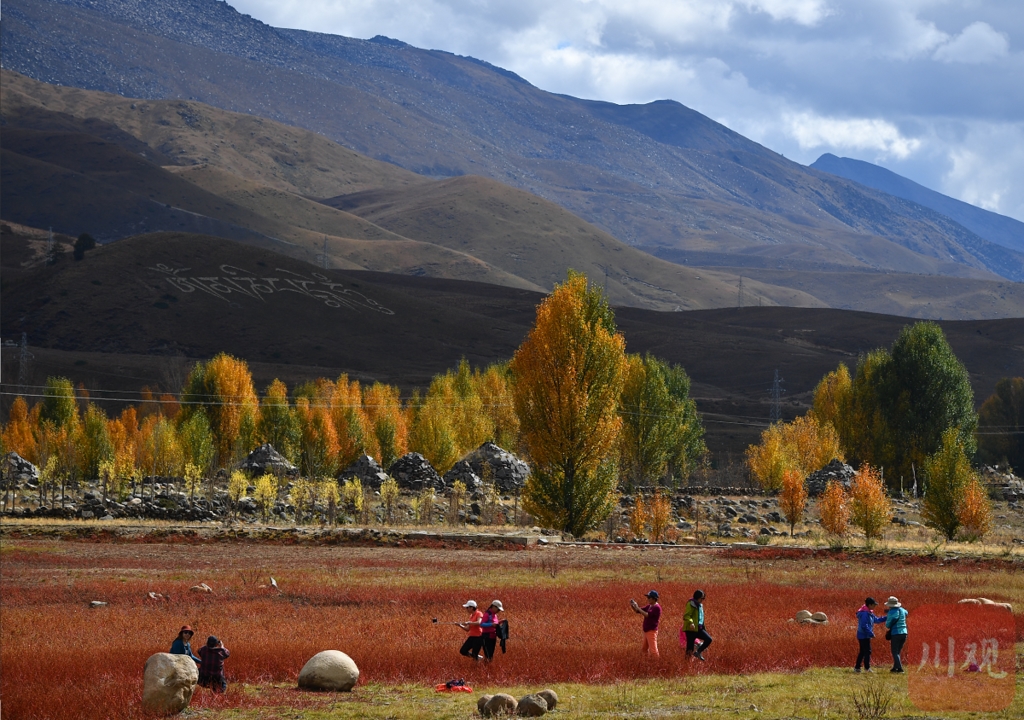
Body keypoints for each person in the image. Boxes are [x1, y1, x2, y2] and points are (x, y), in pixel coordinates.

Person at [854, 597, 887, 672]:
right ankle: (867, 668)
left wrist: (886, 618)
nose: (875, 606)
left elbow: (877, 620)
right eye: (874, 605)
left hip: (864, 635)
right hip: (863, 635)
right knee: (867, 651)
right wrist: (871, 633)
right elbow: (863, 625)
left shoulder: (869, 612)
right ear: (869, 605)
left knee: (863, 651)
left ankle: (857, 667)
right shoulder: (865, 614)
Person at [629, 590, 661, 658]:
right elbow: (638, 611)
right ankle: (645, 662)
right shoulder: (649, 606)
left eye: (649, 598)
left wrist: (637, 607)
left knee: (653, 651)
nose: (648, 599)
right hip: (647, 631)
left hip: (651, 631)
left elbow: (647, 615)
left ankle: (657, 663)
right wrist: (633, 606)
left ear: (654, 599)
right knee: (644, 649)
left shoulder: (657, 608)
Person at [683, 589, 712, 661]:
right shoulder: (691, 604)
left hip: (699, 628)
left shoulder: (700, 605)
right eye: (702, 598)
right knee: (690, 648)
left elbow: (701, 617)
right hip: (691, 629)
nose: (703, 600)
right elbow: (686, 616)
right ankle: (686, 664)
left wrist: (704, 628)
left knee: (708, 639)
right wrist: (691, 623)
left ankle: (698, 652)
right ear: (697, 597)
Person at [884, 596, 909, 673]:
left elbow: (887, 625)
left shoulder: (891, 612)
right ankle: (895, 668)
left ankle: (900, 668)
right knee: (898, 651)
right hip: (904, 633)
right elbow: (907, 613)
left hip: (896, 633)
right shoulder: (902, 610)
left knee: (894, 651)